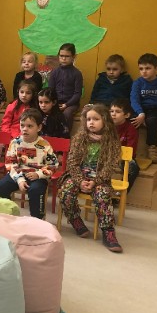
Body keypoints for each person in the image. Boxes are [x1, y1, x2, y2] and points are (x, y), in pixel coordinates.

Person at [58, 103, 123, 253]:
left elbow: (110, 166)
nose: (91, 122)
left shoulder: (112, 141)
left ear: (105, 120)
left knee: (103, 195)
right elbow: (72, 162)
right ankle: (75, 219)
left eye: (96, 119)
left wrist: (95, 181)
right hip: (78, 176)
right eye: (88, 119)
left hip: (100, 179)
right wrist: (80, 180)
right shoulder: (79, 138)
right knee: (66, 192)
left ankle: (108, 232)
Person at [0, 109, 58, 220]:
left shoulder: (45, 145)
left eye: (29, 126)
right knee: (1, 186)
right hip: (17, 173)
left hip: (37, 176)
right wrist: (20, 179)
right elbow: (10, 163)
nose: (25, 129)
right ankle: (6, 215)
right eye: (22, 125)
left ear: (39, 127)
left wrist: (39, 174)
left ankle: (36, 219)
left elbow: (53, 165)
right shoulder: (15, 142)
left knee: (36, 190)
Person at [48, 42, 84, 125]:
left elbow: (78, 93)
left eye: (67, 56)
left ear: (73, 57)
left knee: (67, 114)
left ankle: (66, 132)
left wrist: (67, 104)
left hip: (71, 104)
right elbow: (50, 90)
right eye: (61, 56)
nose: (63, 58)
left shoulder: (77, 73)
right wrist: (54, 103)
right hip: (56, 102)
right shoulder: (54, 72)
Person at [110, 98, 140, 191]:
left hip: (124, 157)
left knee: (133, 168)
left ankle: (121, 192)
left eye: (118, 111)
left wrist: (118, 157)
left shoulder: (131, 129)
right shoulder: (107, 127)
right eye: (111, 111)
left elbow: (131, 150)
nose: (113, 114)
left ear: (127, 115)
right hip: (108, 156)